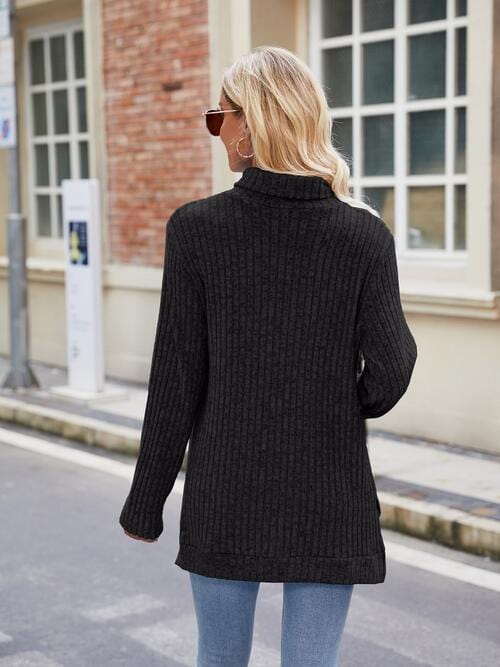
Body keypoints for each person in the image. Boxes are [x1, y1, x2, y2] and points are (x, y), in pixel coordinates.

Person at [119, 45, 418, 666]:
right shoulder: (363, 234)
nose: (215, 130)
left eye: (218, 116)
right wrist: (339, 402)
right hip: (329, 492)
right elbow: (393, 368)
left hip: (225, 492)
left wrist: (146, 502)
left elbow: (176, 380)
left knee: (220, 659)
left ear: (248, 125)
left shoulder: (196, 229)